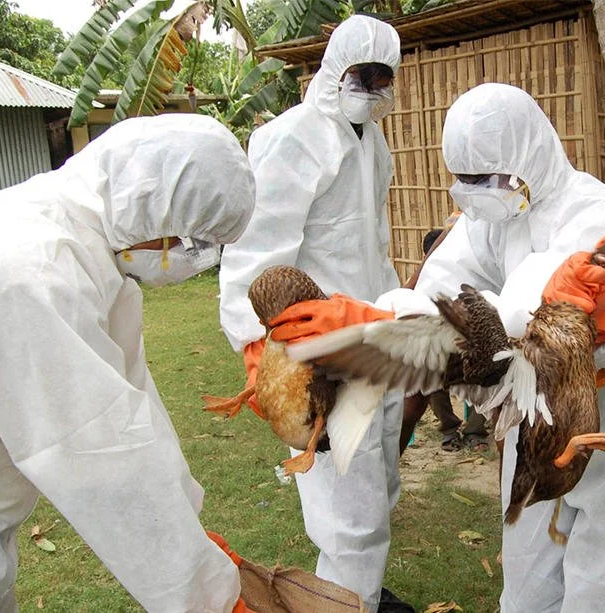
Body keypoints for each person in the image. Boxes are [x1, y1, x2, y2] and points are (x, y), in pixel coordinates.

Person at [0, 115, 257, 611]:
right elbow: (102, 458)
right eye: (190, 242)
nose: (191, 258)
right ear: (148, 205)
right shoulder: (33, 272)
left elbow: (137, 412)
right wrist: (206, 595)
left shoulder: (93, 254)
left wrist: (193, 529)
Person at [406, 83, 605, 611]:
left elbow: (545, 314)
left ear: (527, 157)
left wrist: (488, 321)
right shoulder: (499, 213)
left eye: (485, 179)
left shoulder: (594, 210)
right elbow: (441, 285)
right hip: (536, 429)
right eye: (465, 181)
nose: (475, 192)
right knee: (528, 589)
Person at [217, 15, 411, 613]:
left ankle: (357, 595)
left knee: (378, 484)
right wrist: (265, 353)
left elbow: (370, 245)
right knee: (347, 509)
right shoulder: (294, 136)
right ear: (335, 68)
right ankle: (344, 602)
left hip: (372, 336)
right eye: (363, 74)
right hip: (320, 350)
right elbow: (255, 256)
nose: (374, 87)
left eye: (385, 77)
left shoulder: (368, 138)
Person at [401, 225, 491, 453]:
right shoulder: (422, 283)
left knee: (485, 375)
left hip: (471, 336)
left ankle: (474, 431)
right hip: (435, 336)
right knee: (430, 381)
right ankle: (450, 430)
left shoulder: (471, 256)